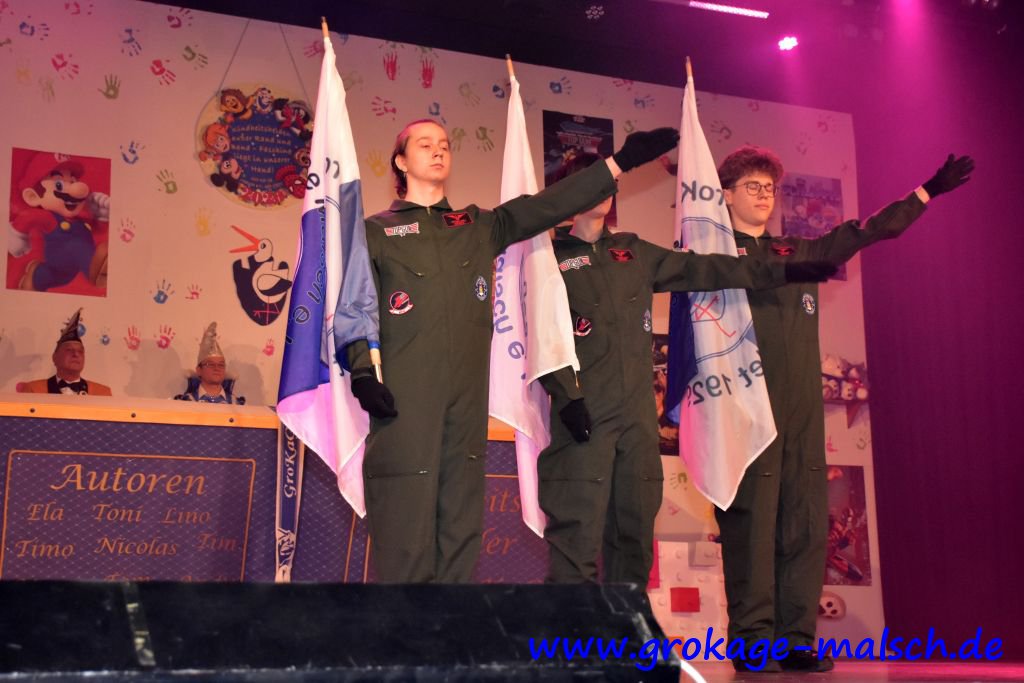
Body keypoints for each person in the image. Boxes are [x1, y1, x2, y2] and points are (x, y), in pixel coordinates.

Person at [343, 118, 679, 583]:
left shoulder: (479, 226)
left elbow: (547, 204)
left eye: (444, 144)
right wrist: (362, 371)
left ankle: (454, 629)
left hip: (465, 406)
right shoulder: (376, 232)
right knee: (404, 532)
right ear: (400, 161)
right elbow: (355, 304)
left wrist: (619, 163)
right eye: (424, 144)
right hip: (405, 402)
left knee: (460, 530)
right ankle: (406, 629)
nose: (438, 151)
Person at [712, 146, 973, 672]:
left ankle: (795, 639)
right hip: (745, 409)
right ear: (726, 195)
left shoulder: (798, 251)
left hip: (803, 413)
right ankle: (752, 641)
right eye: (752, 186)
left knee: (806, 524)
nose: (764, 196)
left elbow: (868, 230)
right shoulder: (711, 257)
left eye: (769, 187)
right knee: (752, 527)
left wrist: (927, 191)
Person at [534, 152, 834, 587]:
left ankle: (628, 630)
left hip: (637, 419)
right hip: (583, 415)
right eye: (587, 181)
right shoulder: (546, 256)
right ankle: (571, 632)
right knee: (575, 539)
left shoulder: (633, 251)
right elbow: (541, 333)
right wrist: (567, 396)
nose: (599, 190)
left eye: (605, 182)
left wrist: (782, 268)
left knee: (635, 535)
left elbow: (704, 268)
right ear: (568, 191)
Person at [18, 308, 112, 396]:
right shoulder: (34, 390)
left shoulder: (102, 393)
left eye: (80, 351)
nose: (76, 354)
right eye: (69, 350)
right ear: (54, 357)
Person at [173, 322, 245, 404]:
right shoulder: (185, 403)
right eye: (210, 364)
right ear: (199, 370)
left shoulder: (236, 404)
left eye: (221, 365)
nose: (217, 368)